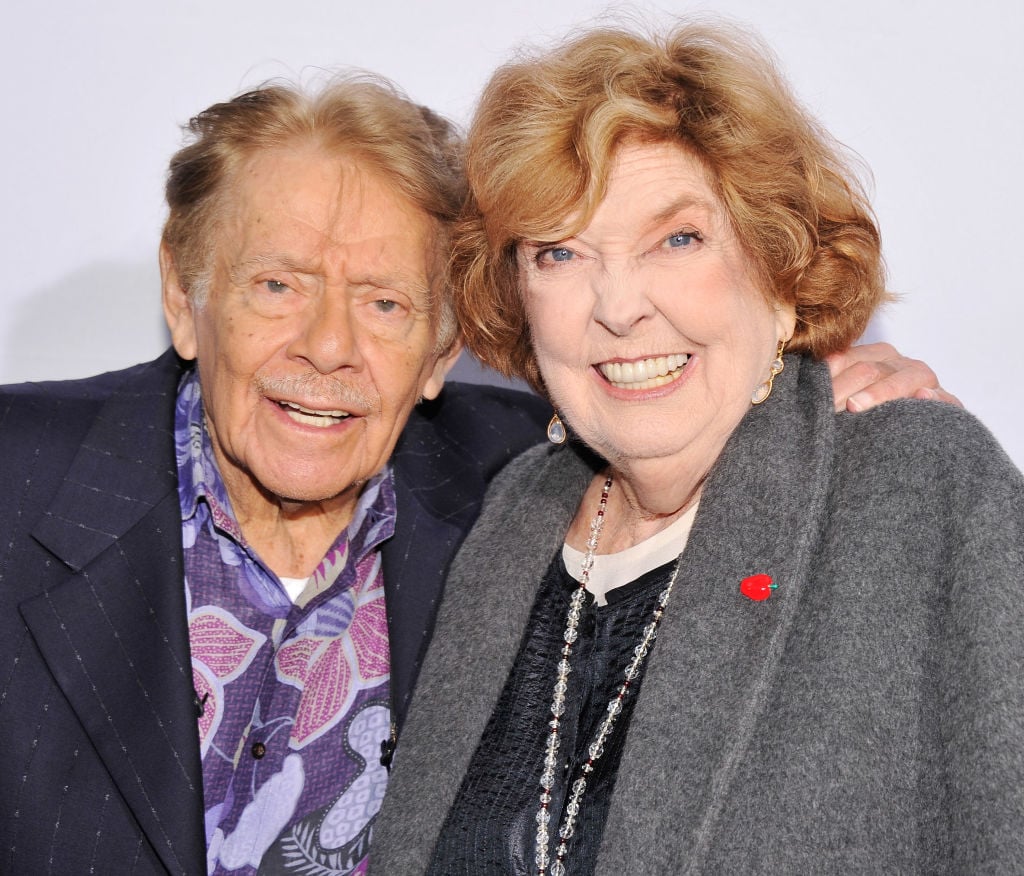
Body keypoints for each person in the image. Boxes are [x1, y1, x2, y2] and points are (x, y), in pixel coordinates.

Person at [0, 71, 952, 876]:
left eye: (384, 303)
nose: (327, 346)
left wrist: (823, 383)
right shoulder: (16, 482)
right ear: (184, 295)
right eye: (278, 285)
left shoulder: (532, 490)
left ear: (441, 349)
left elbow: (686, 405)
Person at [371, 21, 1024, 875]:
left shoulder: (920, 492)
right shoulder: (508, 519)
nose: (618, 307)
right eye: (560, 253)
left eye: (677, 239)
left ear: (779, 275)